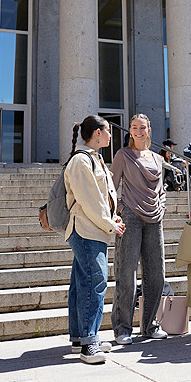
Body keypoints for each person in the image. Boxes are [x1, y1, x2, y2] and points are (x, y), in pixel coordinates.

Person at [64, 115, 126, 364]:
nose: (111, 135)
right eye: (108, 131)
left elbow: (102, 197)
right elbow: (89, 200)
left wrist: (112, 218)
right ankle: (89, 343)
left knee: (82, 284)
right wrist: (110, 223)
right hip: (86, 230)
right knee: (94, 283)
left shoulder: (93, 159)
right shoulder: (81, 160)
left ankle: (80, 338)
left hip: (92, 228)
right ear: (97, 133)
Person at [110, 114, 168, 345]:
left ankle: (150, 325)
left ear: (149, 129)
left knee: (157, 274)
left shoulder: (157, 158)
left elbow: (161, 189)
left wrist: (162, 206)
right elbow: (111, 187)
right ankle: (122, 328)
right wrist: (120, 209)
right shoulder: (123, 155)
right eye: (134, 127)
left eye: (142, 127)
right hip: (131, 217)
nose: (138, 131)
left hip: (155, 218)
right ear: (130, 130)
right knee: (127, 273)